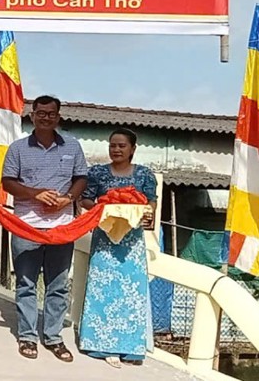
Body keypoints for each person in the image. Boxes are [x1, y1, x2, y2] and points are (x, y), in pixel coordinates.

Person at [2, 95, 87, 362]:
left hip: (62, 227)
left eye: (51, 113)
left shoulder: (72, 146)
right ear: (32, 116)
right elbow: (7, 182)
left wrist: (68, 198)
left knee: (58, 285)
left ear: (58, 117)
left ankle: (53, 337)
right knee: (26, 283)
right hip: (26, 226)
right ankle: (27, 336)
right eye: (41, 113)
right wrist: (34, 193)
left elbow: (81, 178)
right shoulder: (17, 148)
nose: (46, 117)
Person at [78, 128, 157, 368]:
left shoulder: (144, 174)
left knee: (131, 292)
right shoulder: (97, 173)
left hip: (132, 242)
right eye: (113, 145)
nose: (116, 149)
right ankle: (101, 344)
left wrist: (146, 212)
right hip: (104, 238)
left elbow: (151, 201)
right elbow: (86, 199)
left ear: (133, 148)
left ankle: (130, 347)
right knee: (103, 290)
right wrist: (105, 209)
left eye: (122, 145)